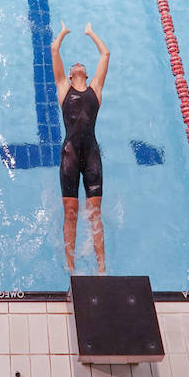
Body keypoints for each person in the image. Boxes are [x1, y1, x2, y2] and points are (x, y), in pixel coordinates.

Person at [51, 22, 110, 273]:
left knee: (95, 212)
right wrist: (63, 33)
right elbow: (54, 51)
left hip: (92, 154)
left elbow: (105, 54)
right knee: (71, 212)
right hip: (70, 155)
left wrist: (90, 33)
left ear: (85, 74)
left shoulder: (95, 88)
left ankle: (101, 266)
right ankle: (71, 264)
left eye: (80, 65)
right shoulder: (63, 87)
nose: (76, 64)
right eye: (74, 65)